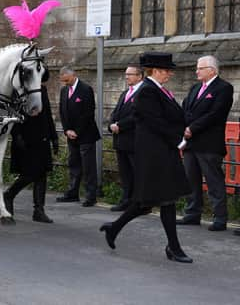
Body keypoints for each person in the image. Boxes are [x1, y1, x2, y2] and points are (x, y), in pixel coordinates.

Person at [100, 52, 193, 263]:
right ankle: (174, 248)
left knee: (146, 203)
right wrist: (177, 140)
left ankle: (113, 229)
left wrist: (184, 129)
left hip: (162, 152)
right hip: (155, 155)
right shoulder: (147, 92)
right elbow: (155, 123)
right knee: (166, 200)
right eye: (167, 70)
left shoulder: (159, 90)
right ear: (156, 71)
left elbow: (172, 116)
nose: (169, 74)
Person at [177, 55, 234, 231]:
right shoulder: (195, 88)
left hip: (209, 144)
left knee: (214, 181)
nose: (196, 71)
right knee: (191, 179)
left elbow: (216, 114)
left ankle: (220, 218)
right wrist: (184, 128)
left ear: (212, 70)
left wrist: (192, 128)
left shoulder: (224, 88)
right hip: (190, 143)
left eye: (200, 68)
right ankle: (192, 213)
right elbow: (185, 109)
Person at [3, 82, 59, 223]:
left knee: (42, 173)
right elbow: (11, 112)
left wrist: (54, 137)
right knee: (29, 173)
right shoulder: (18, 89)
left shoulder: (42, 89)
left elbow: (47, 114)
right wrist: (16, 135)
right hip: (25, 136)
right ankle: (9, 194)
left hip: (42, 136)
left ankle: (39, 210)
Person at [56, 67, 101, 207]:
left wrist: (77, 131)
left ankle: (90, 196)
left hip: (86, 134)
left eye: (67, 80)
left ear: (73, 75)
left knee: (88, 167)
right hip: (71, 135)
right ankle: (72, 193)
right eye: (63, 81)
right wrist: (67, 130)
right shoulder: (64, 91)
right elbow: (62, 111)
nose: (65, 83)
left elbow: (88, 113)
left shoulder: (85, 89)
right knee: (73, 164)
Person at [108, 64, 144, 211]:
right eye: (126, 74)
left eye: (130, 74)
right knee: (125, 173)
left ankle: (138, 202)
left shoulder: (143, 92)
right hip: (121, 140)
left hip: (135, 140)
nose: (127, 77)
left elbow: (138, 115)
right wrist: (111, 124)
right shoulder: (125, 93)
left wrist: (120, 125)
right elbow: (116, 111)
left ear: (139, 76)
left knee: (137, 172)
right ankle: (126, 200)